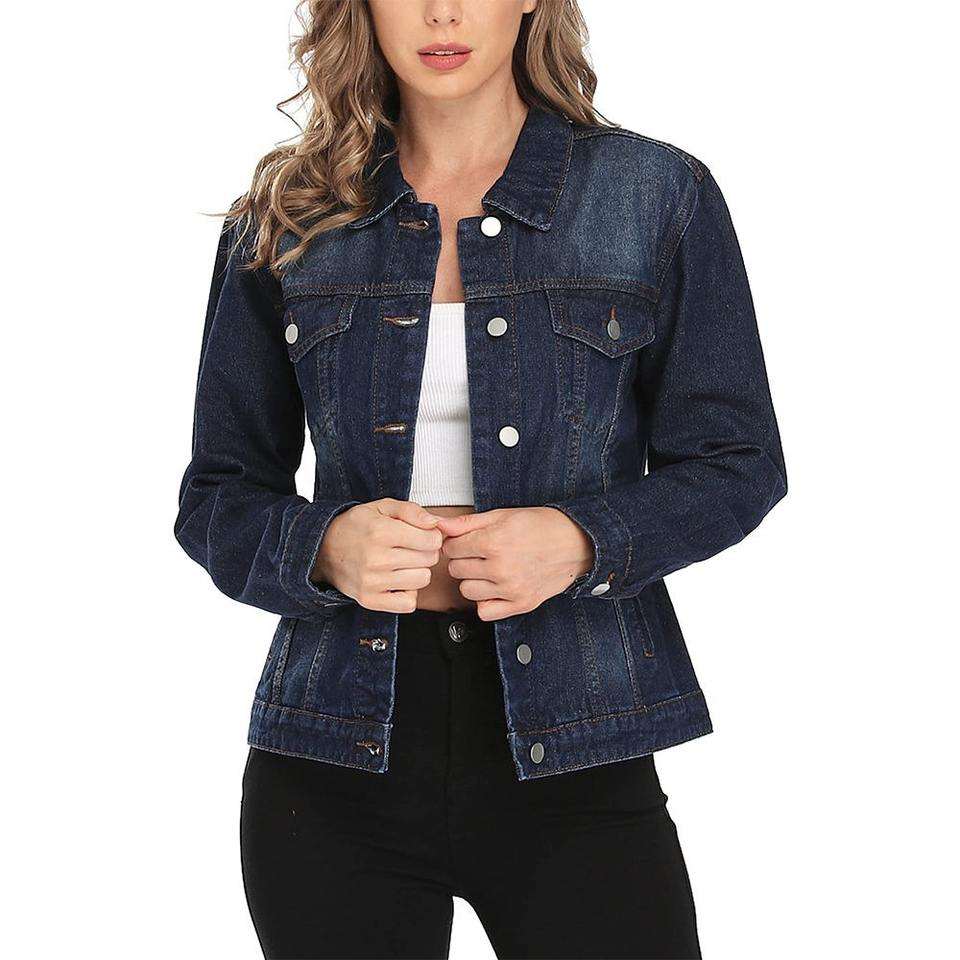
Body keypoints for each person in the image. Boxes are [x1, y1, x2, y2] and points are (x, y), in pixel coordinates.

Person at [174, 1, 786, 957]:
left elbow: (738, 461)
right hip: (335, 753)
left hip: (580, 740)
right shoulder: (290, 212)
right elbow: (218, 492)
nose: (443, 12)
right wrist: (324, 547)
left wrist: (581, 542)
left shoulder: (653, 195)